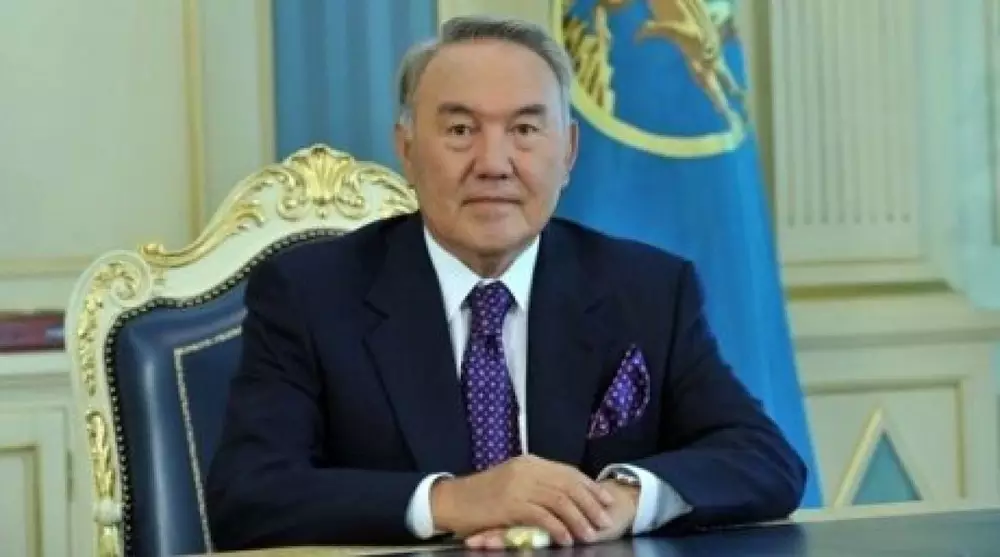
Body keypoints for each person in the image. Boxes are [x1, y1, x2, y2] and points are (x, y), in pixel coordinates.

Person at [206, 15, 807, 552]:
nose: (494, 164)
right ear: (407, 150)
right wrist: (455, 500)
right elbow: (249, 495)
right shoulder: (310, 294)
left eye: (524, 130)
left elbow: (765, 458)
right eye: (460, 130)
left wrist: (620, 499)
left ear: (568, 153)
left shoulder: (647, 290)